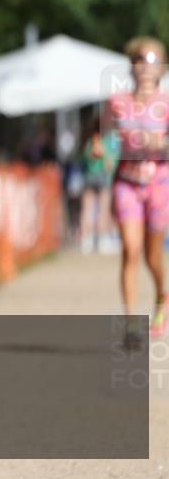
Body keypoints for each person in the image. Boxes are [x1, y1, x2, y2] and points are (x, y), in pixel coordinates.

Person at [106, 37, 169, 348]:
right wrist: (98, 148)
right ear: (131, 66)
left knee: (152, 255)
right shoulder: (117, 102)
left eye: (152, 60)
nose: (145, 67)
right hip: (127, 183)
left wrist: (161, 144)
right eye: (139, 60)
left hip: (160, 183)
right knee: (130, 250)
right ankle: (131, 323)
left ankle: (162, 296)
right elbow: (100, 135)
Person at [79, 118, 119, 253]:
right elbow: (110, 164)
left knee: (87, 209)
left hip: (89, 176)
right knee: (103, 209)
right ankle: (102, 240)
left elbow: (84, 158)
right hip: (103, 178)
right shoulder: (109, 141)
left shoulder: (90, 141)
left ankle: (86, 240)